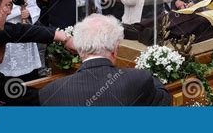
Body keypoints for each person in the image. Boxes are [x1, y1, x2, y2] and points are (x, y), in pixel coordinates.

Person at [39, 14, 171, 106]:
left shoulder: (50, 93)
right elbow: (165, 100)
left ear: (79, 49)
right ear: (115, 49)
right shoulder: (139, 79)